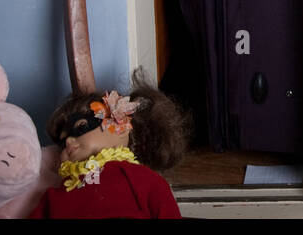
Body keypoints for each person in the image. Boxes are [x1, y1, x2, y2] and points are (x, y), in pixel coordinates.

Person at [28, 68, 190, 218]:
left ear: (121, 126)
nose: (69, 141)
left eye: (80, 127)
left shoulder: (143, 179)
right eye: (62, 143)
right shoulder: (55, 195)